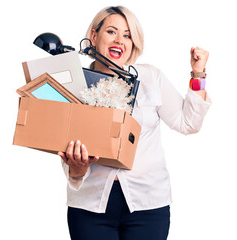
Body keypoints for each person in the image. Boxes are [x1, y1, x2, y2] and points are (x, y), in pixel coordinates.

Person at [58, 5, 211, 240]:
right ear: (94, 36)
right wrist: (77, 170)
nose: (120, 39)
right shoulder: (75, 84)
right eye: (111, 31)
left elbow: (189, 122)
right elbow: (67, 152)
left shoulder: (150, 77)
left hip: (148, 206)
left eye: (127, 35)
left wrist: (198, 74)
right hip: (90, 207)